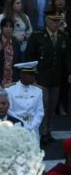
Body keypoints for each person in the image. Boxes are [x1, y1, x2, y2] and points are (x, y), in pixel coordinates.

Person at [26, 10, 71, 144]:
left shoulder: (63, 37)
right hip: (41, 77)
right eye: (54, 20)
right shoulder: (37, 36)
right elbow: (30, 56)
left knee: (52, 106)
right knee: (43, 106)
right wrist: (31, 76)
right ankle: (42, 132)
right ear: (47, 20)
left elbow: (67, 57)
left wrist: (69, 73)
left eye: (58, 21)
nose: (57, 23)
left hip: (56, 78)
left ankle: (49, 131)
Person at [5, 61, 44, 141]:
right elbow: (10, 111)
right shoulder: (10, 90)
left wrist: (33, 126)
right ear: (22, 74)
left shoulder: (38, 90)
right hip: (17, 128)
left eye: (33, 75)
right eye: (31, 75)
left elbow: (40, 112)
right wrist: (23, 125)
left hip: (33, 128)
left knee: (34, 152)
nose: (33, 77)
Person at [0, 18, 22, 86]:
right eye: (6, 26)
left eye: (10, 27)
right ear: (1, 28)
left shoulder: (16, 43)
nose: (8, 29)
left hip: (13, 79)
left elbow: (19, 62)